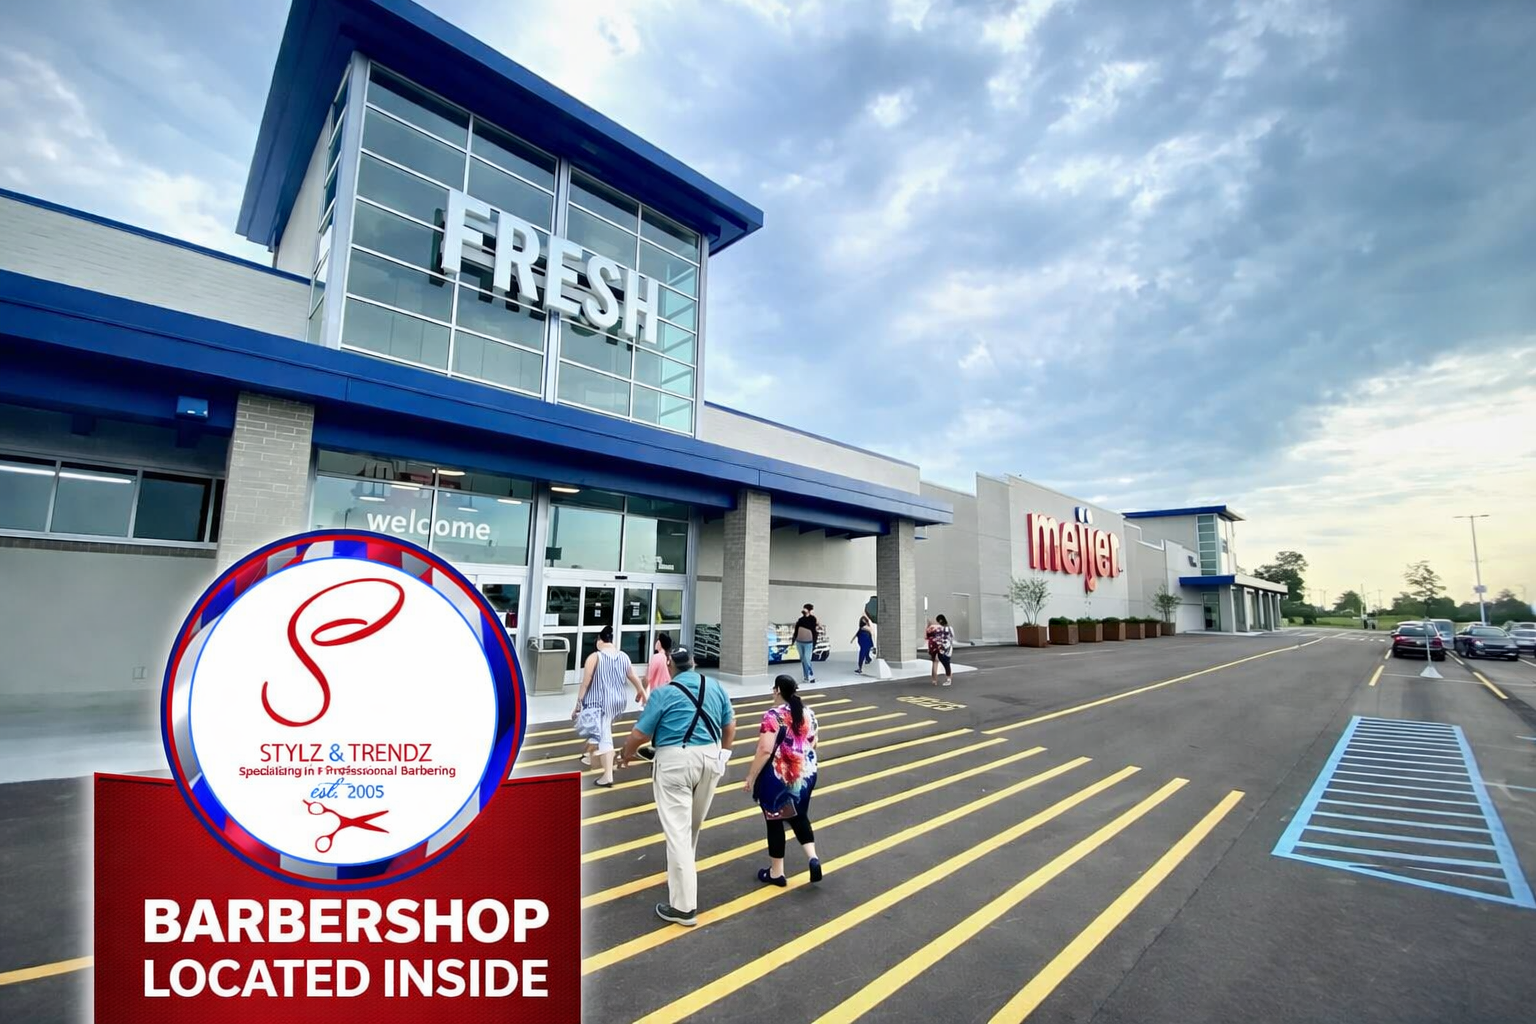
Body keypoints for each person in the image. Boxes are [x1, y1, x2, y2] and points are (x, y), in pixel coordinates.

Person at [618, 645, 736, 927]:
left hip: (674, 762)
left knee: (678, 833)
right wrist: (723, 753)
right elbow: (729, 725)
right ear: (693, 663)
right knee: (691, 828)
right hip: (710, 759)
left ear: (670, 665)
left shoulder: (663, 693)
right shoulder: (715, 687)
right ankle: (682, 876)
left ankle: (683, 908)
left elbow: (639, 734)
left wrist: (626, 753)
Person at [743, 675, 820, 886]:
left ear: (777, 690)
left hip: (778, 777)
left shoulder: (773, 716)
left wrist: (751, 776)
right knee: (799, 815)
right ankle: (813, 857)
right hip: (805, 775)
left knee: (775, 820)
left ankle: (777, 873)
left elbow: (765, 750)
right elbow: (813, 742)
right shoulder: (809, 713)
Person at [572, 625, 647, 787]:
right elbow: (633, 676)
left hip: (599, 702)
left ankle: (607, 776)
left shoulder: (595, 657)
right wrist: (641, 692)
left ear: (600, 640)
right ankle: (591, 755)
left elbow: (586, 683)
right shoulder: (623, 656)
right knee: (601, 728)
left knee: (605, 735)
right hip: (617, 702)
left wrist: (578, 705)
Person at [792, 603, 819, 683]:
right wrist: (793, 640)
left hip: (808, 642)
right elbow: (796, 630)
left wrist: (814, 643)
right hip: (799, 642)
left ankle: (811, 676)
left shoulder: (812, 619)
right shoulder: (800, 620)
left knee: (807, 658)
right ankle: (806, 676)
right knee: (803, 659)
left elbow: (813, 630)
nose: (804, 610)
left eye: (805, 608)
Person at [927, 613, 955, 687]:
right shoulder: (949, 628)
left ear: (940, 620)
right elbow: (952, 637)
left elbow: (935, 638)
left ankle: (947, 678)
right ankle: (948, 677)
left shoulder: (941, 629)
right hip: (947, 648)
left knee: (944, 662)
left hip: (942, 648)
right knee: (946, 663)